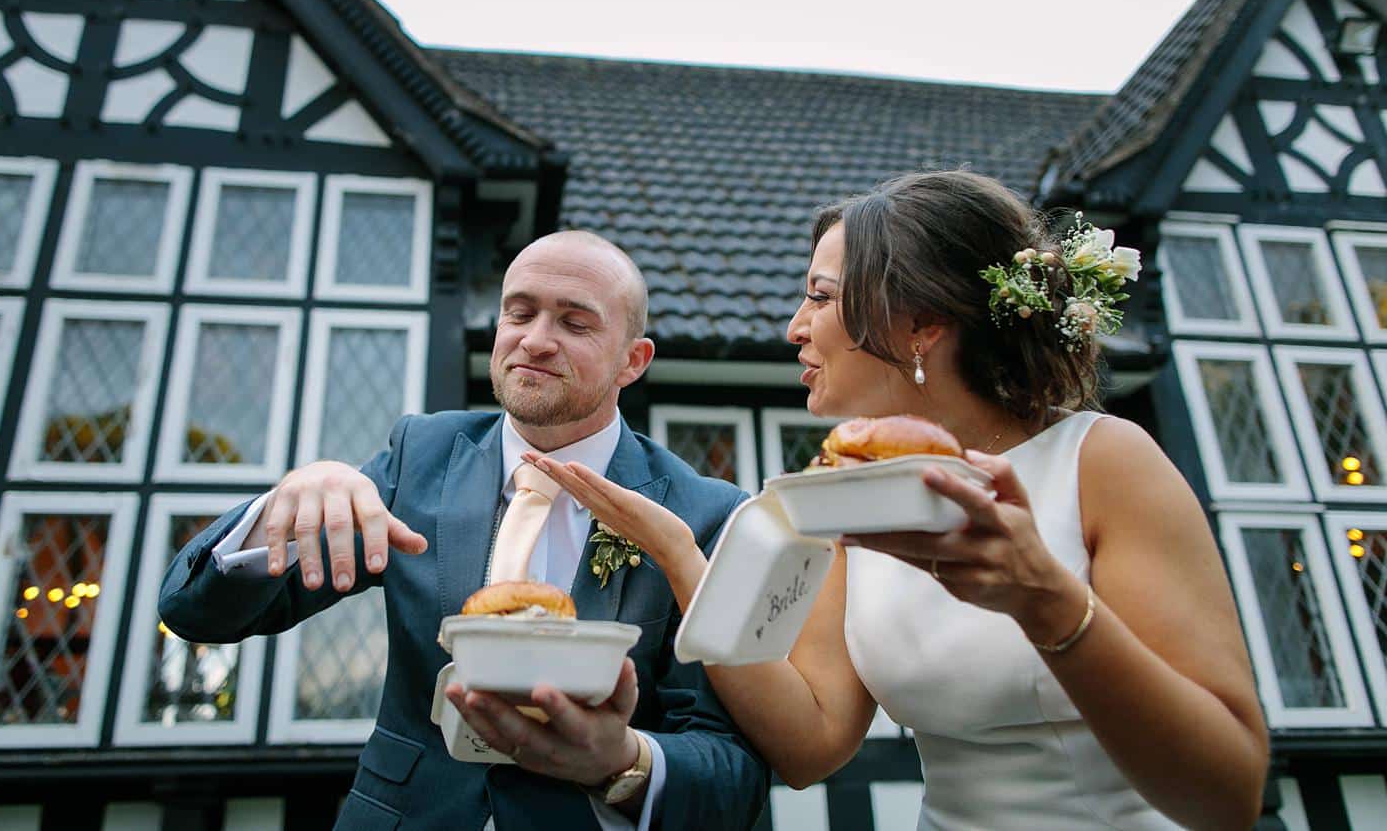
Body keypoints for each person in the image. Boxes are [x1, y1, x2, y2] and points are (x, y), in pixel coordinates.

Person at [532, 171, 1270, 831]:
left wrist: (1045, 601)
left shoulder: (1104, 461)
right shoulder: (846, 497)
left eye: (819, 296)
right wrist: (682, 557)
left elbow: (1228, 796)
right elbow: (811, 742)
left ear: (921, 324)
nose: (794, 326)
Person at [157, 230, 769, 831]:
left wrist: (620, 762)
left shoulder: (707, 515)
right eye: (519, 313)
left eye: (574, 324)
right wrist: (281, 510)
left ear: (632, 361)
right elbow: (196, 615)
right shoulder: (419, 455)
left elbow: (733, 775)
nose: (535, 340)